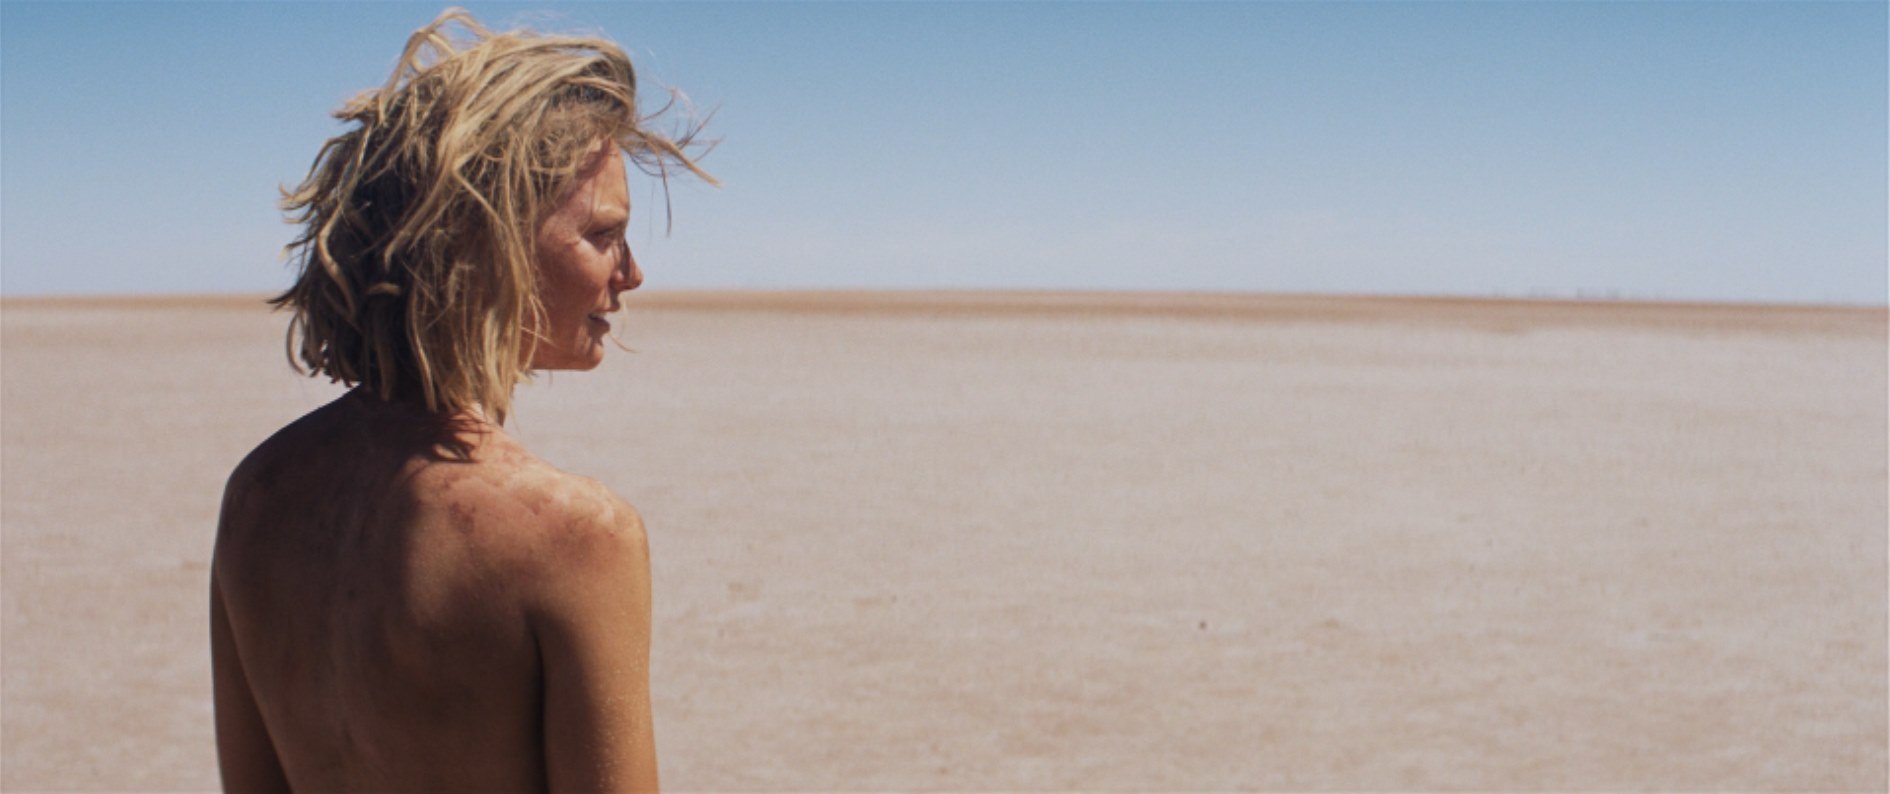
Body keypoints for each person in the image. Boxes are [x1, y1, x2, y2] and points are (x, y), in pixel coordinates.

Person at [210, 9, 711, 792]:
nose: (631, 273)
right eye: (601, 236)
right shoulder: (575, 537)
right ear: (491, 242)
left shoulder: (258, 492)